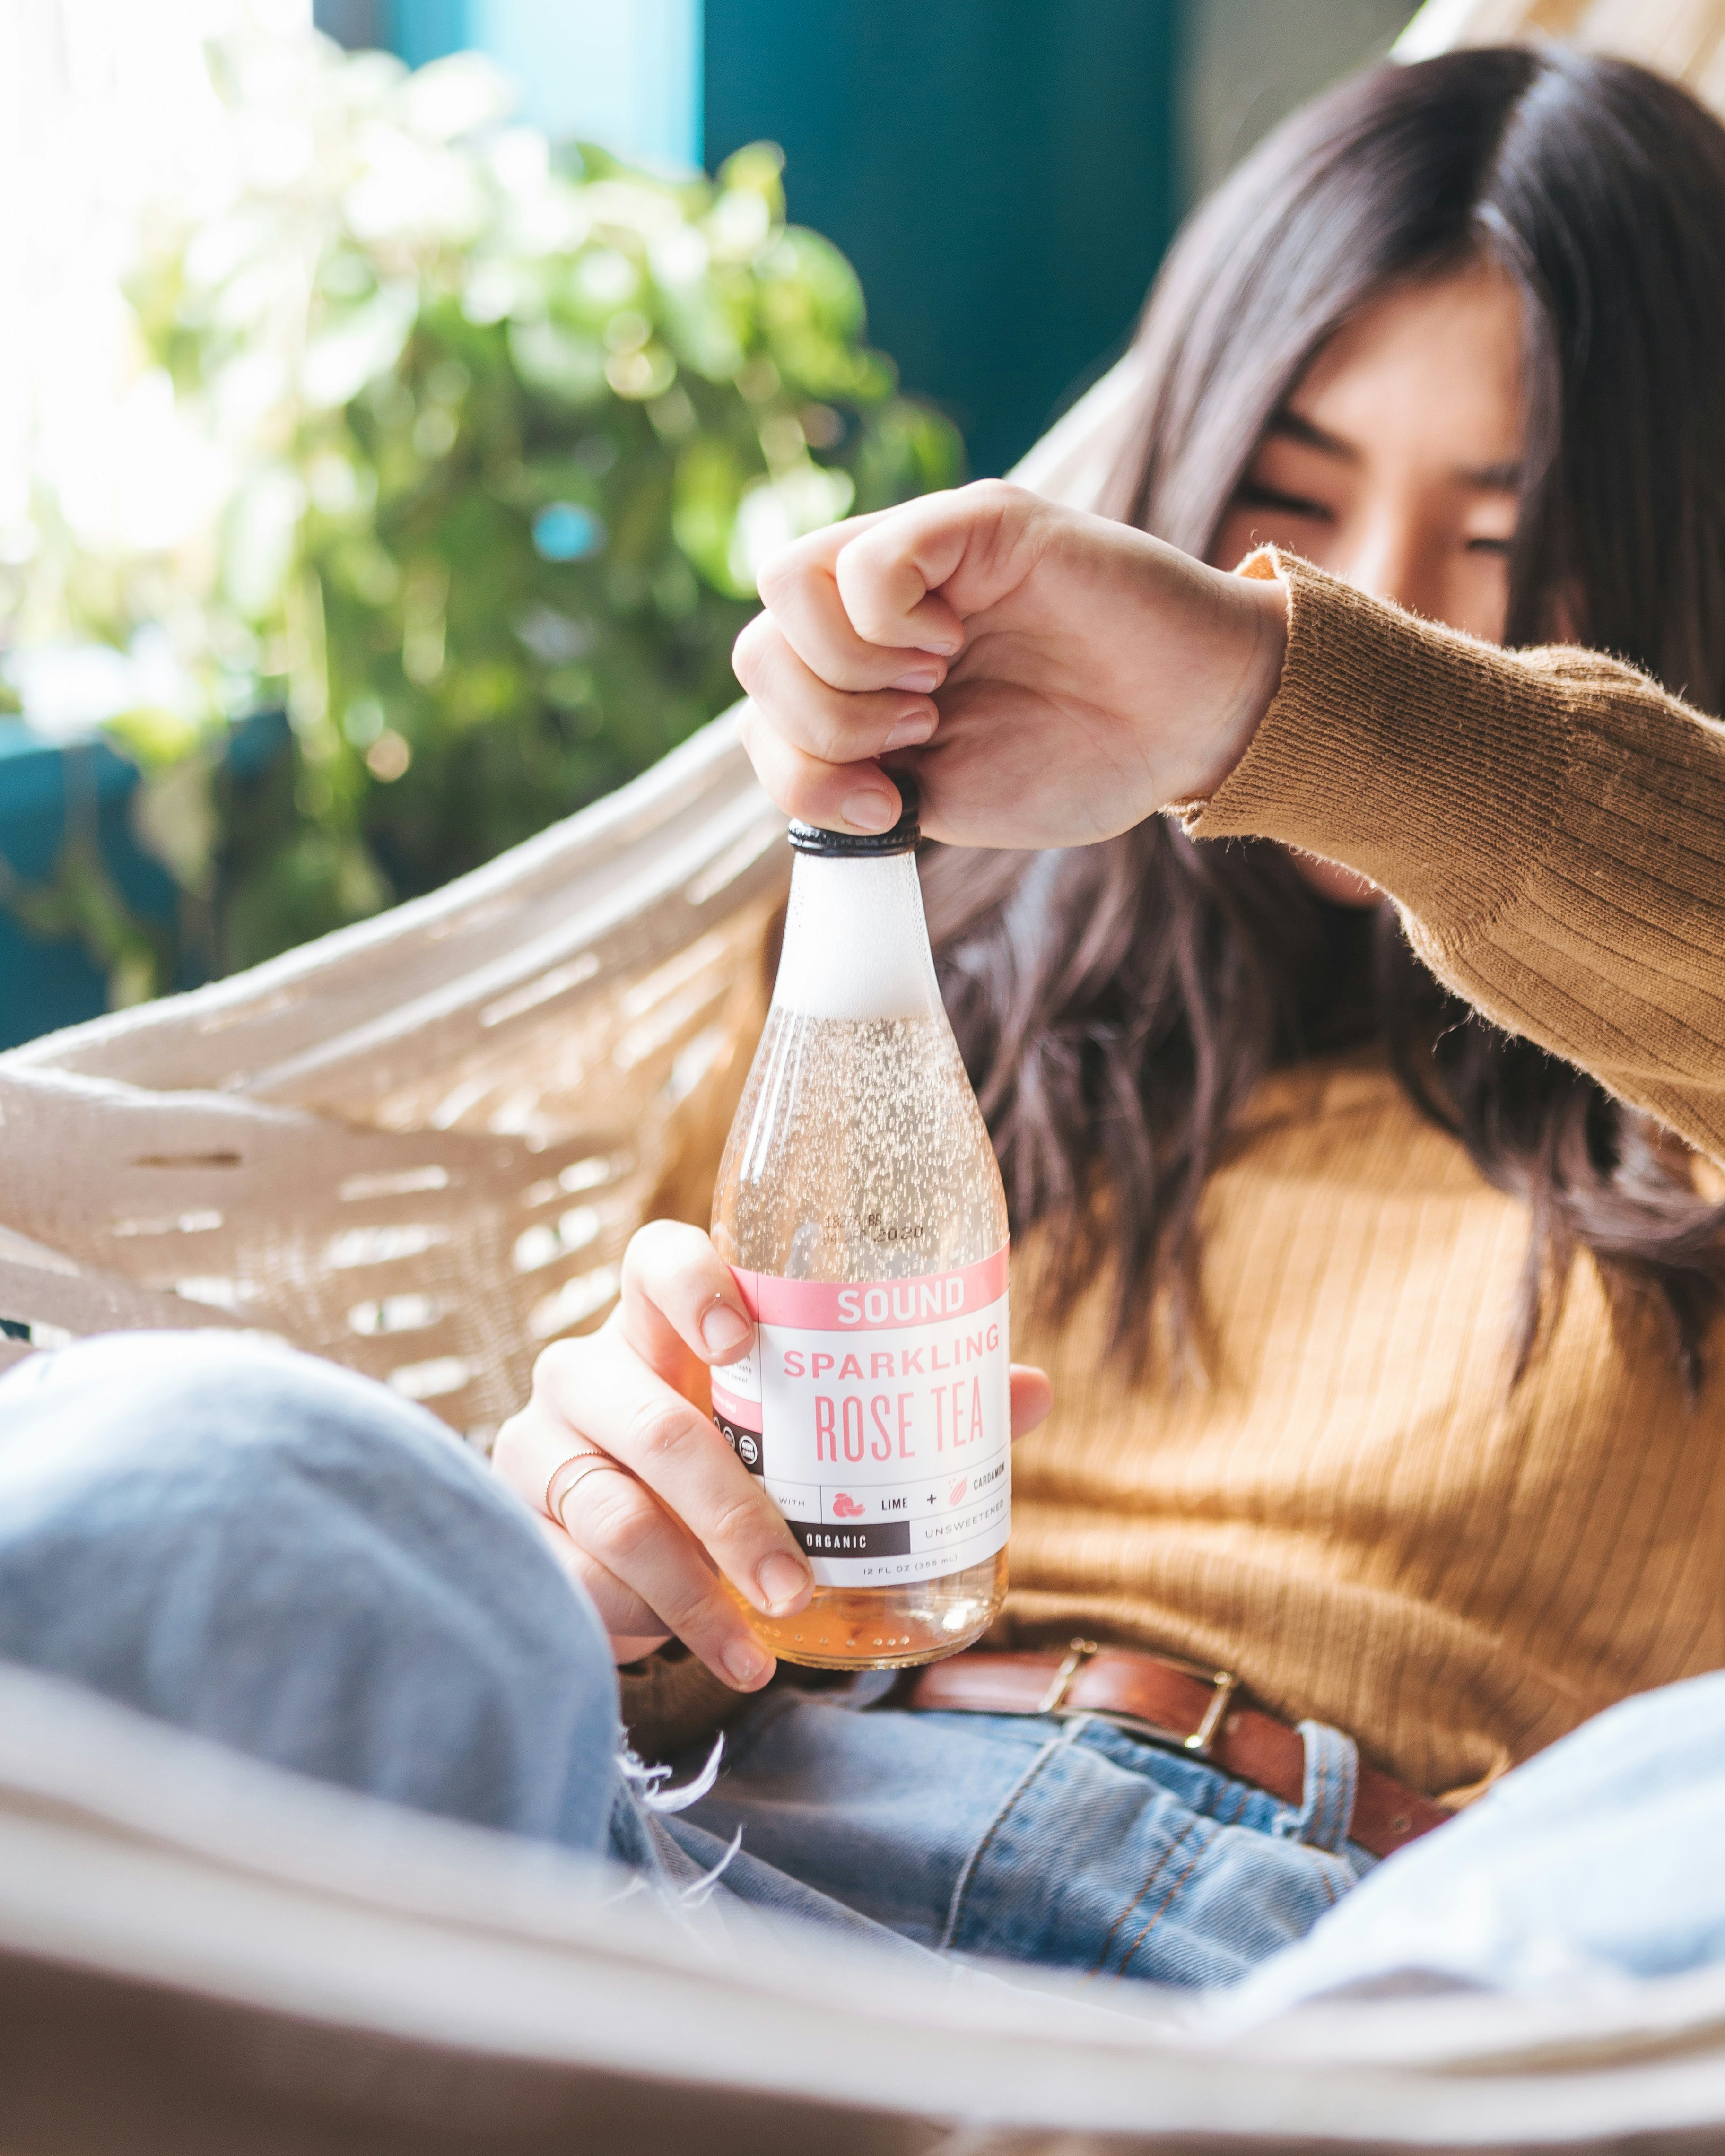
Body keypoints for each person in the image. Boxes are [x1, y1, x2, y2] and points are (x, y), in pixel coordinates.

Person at [7, 44, 1725, 1997]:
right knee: (200, 1456)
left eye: (1506, 546)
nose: (1382, 595)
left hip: (1346, 1980)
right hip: (724, 1884)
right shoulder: (898, 993)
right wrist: (625, 1577)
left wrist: (1275, 699)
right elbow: (653, 1631)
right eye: (1287, 503)